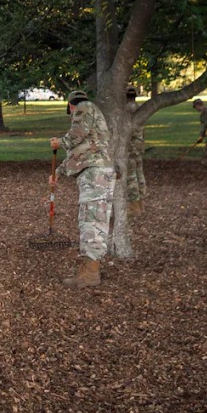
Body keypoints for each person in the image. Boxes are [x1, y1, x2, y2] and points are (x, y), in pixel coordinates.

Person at [49, 90, 115, 289]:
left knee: (92, 221)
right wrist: (58, 172)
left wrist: (60, 142)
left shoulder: (84, 107)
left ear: (70, 105)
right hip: (97, 173)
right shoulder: (92, 117)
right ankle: (89, 268)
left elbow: (77, 135)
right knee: (92, 219)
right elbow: (81, 151)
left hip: (95, 175)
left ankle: (90, 273)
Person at [126, 86, 147, 216]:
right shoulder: (139, 108)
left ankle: (134, 208)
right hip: (139, 145)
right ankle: (141, 204)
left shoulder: (126, 109)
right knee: (139, 174)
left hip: (130, 146)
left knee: (131, 176)